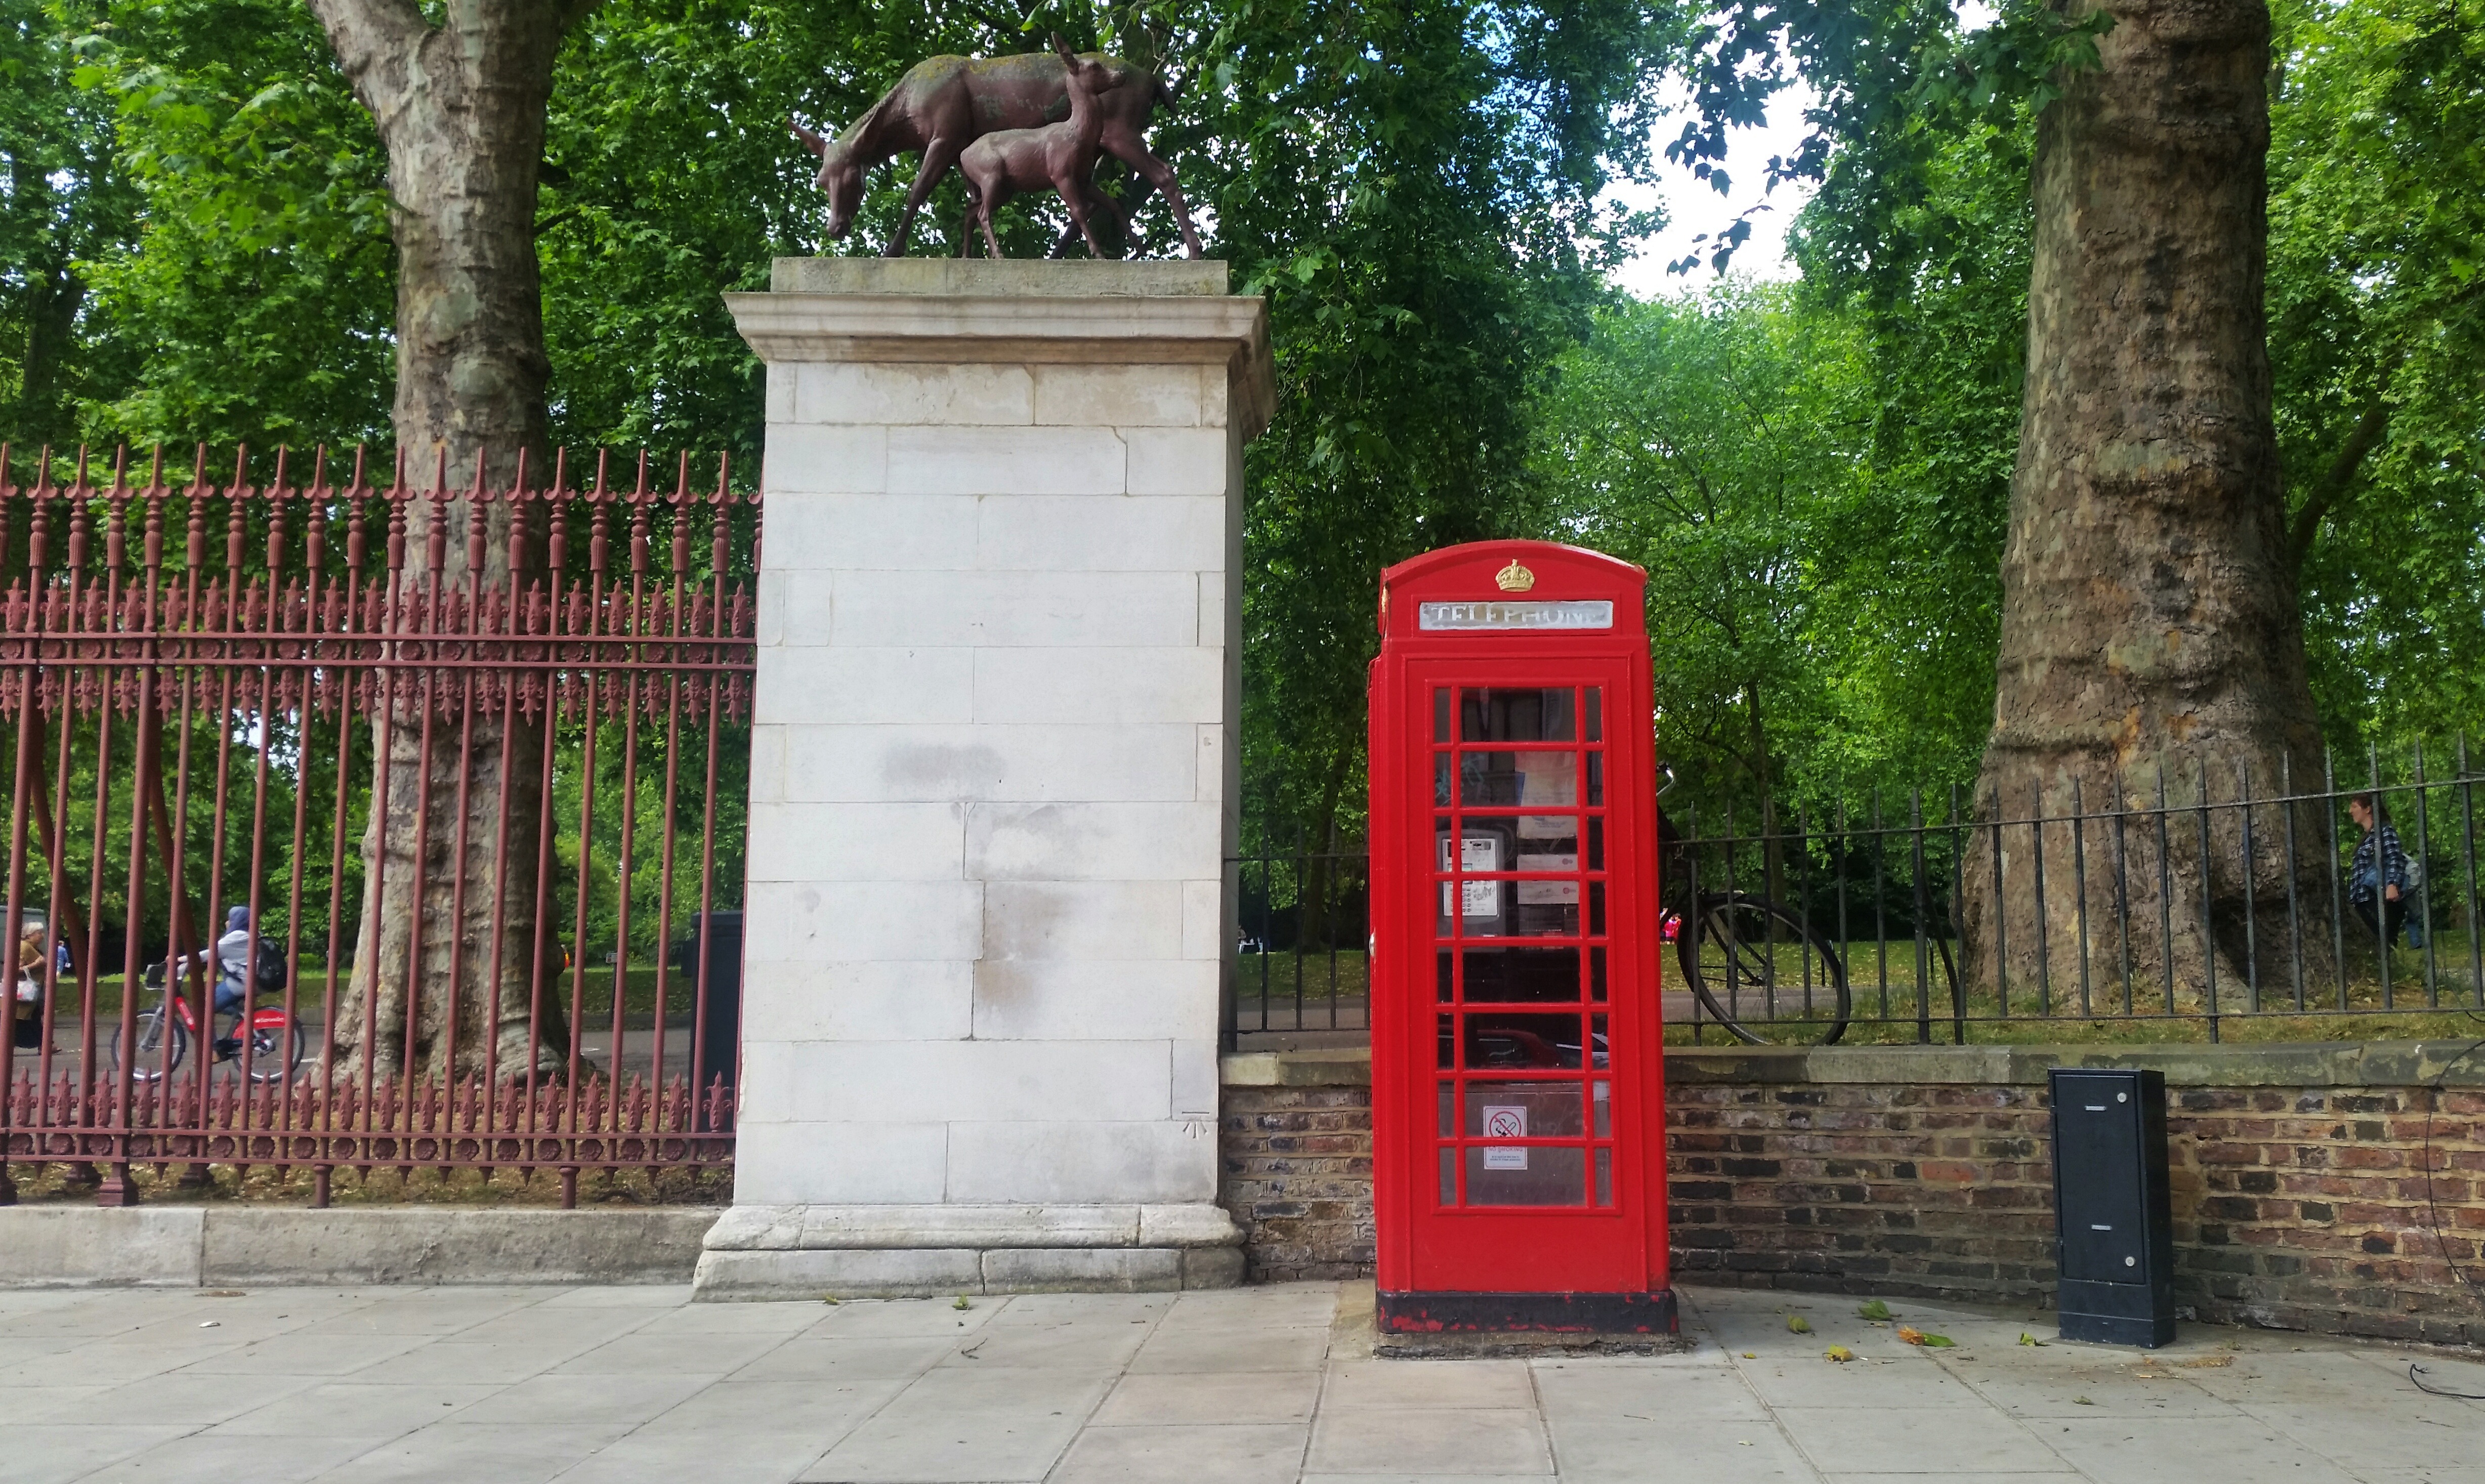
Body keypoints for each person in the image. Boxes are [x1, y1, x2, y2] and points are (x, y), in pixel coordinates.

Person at [177, 906, 260, 1061]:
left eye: (231, 919)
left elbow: (210, 952)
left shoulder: (237, 936)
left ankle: (213, 1051)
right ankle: (243, 1021)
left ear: (238, 920)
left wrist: (180, 960)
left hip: (240, 983)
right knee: (224, 1006)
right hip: (252, 982)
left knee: (203, 1009)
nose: (227, 922)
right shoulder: (253, 934)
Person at [2346, 792, 2412, 948]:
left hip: (2379, 900)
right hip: (2364, 901)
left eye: (2354, 806)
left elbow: (2395, 858)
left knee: (2385, 946)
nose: (2350, 811)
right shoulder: (2368, 838)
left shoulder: (2385, 832)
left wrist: (2392, 885)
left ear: (2368, 809)